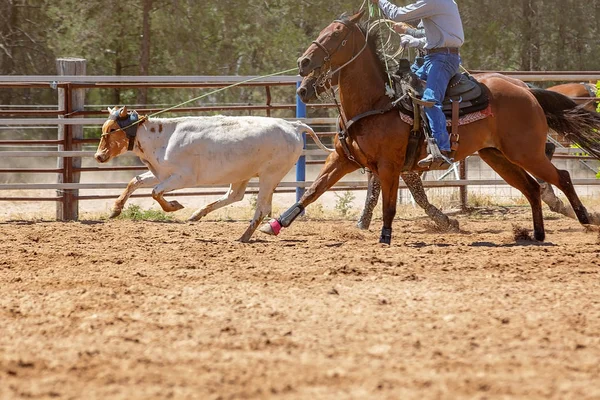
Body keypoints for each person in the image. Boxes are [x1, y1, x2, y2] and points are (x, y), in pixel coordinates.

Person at [371, 0, 464, 168]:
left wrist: (380, 1)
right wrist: (416, 41)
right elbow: (435, 37)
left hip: (442, 59)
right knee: (402, 86)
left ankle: (441, 150)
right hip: (435, 57)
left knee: (430, 99)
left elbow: (398, 14)